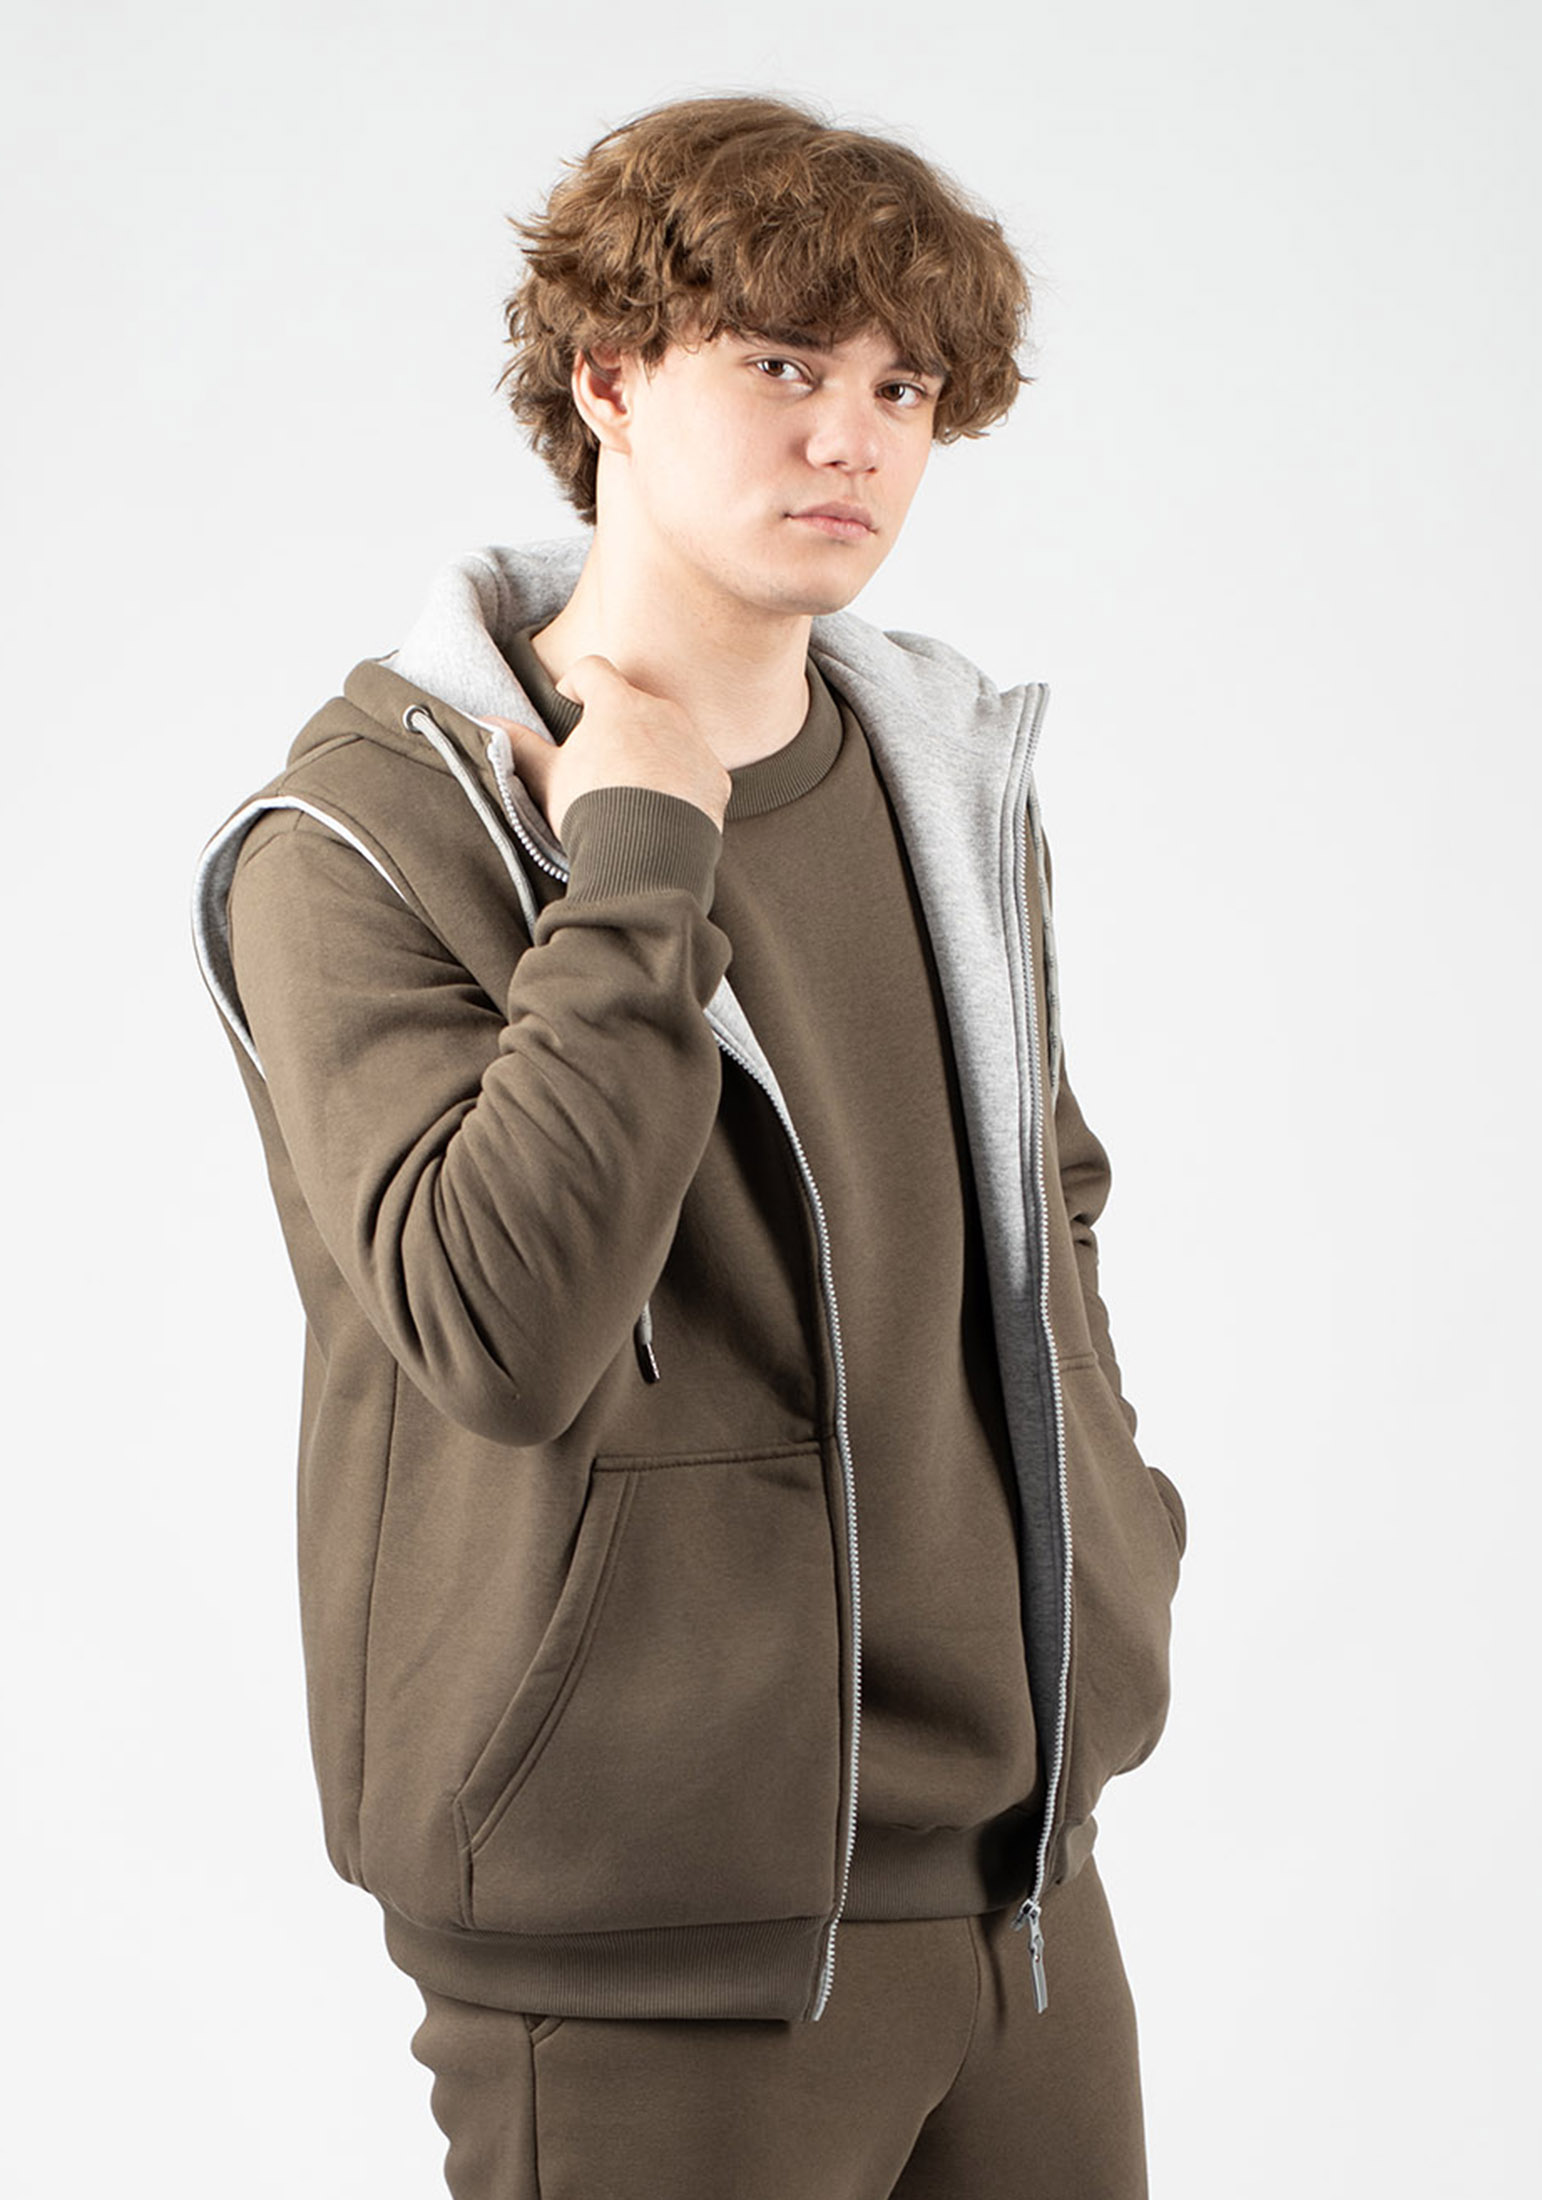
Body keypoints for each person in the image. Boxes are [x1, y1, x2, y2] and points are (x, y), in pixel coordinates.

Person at [192, 92, 1187, 2200]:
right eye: (783, 364)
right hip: (645, 1929)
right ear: (610, 379)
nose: (854, 439)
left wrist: (1116, 1535)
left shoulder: (940, 776)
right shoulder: (369, 835)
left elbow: (1047, 1195)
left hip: (1019, 1889)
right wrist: (642, 843)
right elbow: (501, 1322)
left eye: (902, 387)